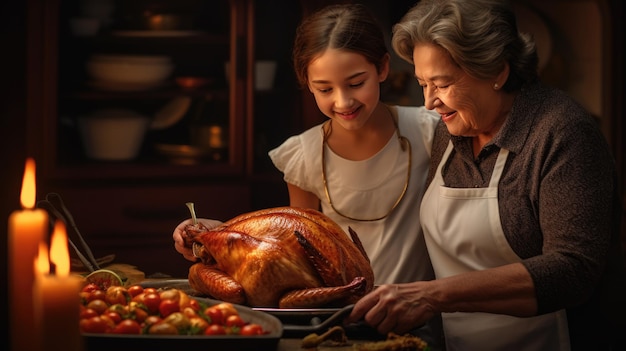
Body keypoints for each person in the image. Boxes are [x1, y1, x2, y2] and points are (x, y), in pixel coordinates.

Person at [345, 0, 626, 350]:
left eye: (442, 83)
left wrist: (432, 296)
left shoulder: (563, 133)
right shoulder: (451, 129)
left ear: (498, 71)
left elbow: (572, 271)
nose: (430, 102)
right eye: (422, 83)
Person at [172, 3, 442, 347]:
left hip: (415, 319)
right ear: (307, 84)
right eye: (325, 89)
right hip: (339, 326)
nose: (343, 101)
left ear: (383, 68)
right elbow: (296, 247)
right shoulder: (304, 154)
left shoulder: (429, 131)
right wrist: (220, 234)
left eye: (356, 83)